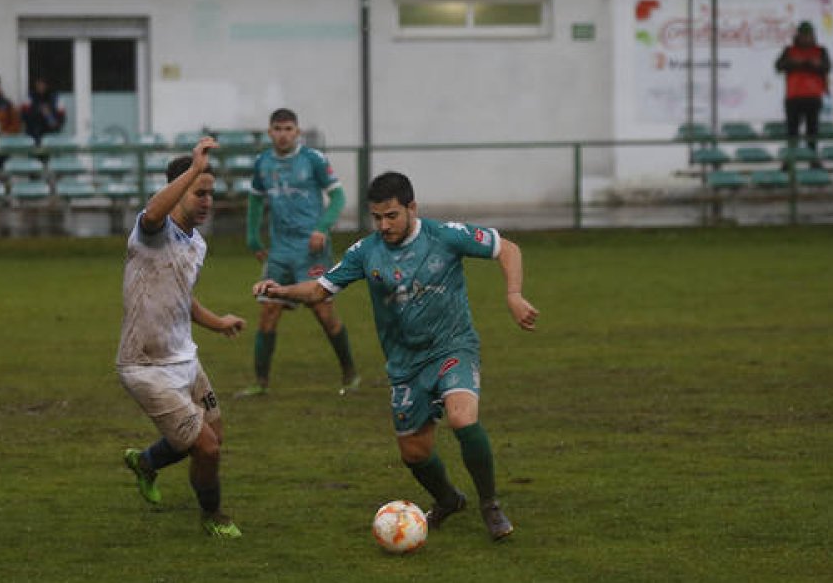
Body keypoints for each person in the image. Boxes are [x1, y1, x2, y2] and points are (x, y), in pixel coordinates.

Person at [253, 171, 539, 542]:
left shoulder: (445, 235)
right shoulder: (365, 252)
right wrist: (281, 290)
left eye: (392, 216)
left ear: (411, 208)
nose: (384, 225)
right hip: (405, 363)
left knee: (462, 418)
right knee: (414, 453)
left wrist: (513, 295)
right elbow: (321, 290)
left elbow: (508, 248)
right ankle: (449, 500)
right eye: (377, 217)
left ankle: (490, 505)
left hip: (453, 346)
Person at [119, 137, 247, 539]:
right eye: (199, 192)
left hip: (185, 359)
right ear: (177, 191)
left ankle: (146, 462)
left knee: (214, 435)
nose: (208, 201)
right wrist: (192, 168)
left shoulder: (198, 243)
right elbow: (153, 212)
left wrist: (217, 322)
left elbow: (181, 297)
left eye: (211, 193)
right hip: (145, 365)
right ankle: (213, 516)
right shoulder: (150, 233)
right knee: (206, 448)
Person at [237, 108, 357, 398]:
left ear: (297, 132)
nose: (283, 134)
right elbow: (255, 201)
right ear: (269, 132)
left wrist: (322, 228)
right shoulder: (262, 163)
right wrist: (253, 238)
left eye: (288, 128)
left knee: (324, 311)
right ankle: (260, 382)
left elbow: (338, 196)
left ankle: (350, 372)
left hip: (311, 250)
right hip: (279, 251)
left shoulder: (313, 160)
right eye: (277, 129)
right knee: (268, 312)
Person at [775, 21, 832, 164]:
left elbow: (827, 67)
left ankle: (813, 161)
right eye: (804, 35)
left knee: (812, 133)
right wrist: (794, 63)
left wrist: (815, 65)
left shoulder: (820, 51)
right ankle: (789, 163)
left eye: (809, 35)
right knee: (792, 133)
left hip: (813, 97)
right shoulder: (789, 51)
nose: (807, 38)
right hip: (794, 97)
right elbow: (778, 66)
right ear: (798, 36)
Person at [20, 76, 66, 143]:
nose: (41, 86)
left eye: (43, 84)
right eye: (38, 84)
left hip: (51, 134)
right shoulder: (29, 98)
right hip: (33, 134)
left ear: (47, 85)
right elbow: (24, 116)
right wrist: (38, 111)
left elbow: (61, 118)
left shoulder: (56, 98)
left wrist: (49, 115)